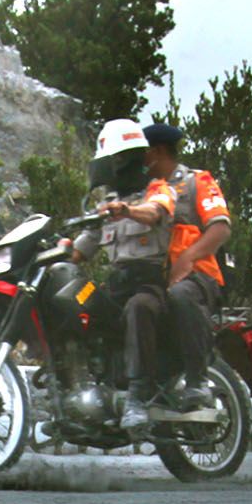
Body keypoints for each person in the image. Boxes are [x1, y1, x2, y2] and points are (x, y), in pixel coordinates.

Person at [69, 118, 176, 435]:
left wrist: (127, 210)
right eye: (111, 160)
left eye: (120, 158)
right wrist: (58, 247)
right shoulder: (105, 206)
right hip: (116, 284)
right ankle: (83, 394)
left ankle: (137, 399)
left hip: (150, 283)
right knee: (78, 305)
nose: (116, 165)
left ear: (134, 157)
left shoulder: (159, 189)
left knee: (138, 309)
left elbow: (156, 212)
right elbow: (81, 249)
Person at [142, 121, 230, 410]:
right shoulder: (145, 191)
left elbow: (220, 229)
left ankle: (197, 381)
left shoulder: (197, 181)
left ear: (157, 151)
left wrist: (187, 258)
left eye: (144, 152)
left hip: (198, 276)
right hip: (157, 277)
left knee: (181, 296)